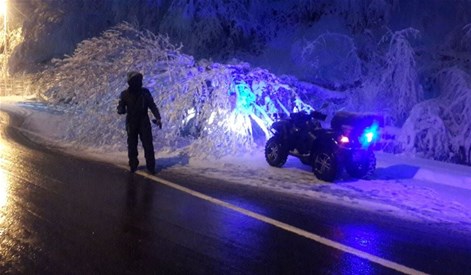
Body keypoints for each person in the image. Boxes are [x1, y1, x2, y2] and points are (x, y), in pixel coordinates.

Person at [117, 71, 162, 174]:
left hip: (143, 121)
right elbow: (121, 106)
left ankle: (151, 166)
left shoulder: (145, 92)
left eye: (139, 80)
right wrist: (121, 109)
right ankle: (133, 164)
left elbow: (152, 105)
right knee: (132, 144)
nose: (139, 82)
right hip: (131, 122)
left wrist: (158, 117)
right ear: (130, 82)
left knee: (148, 144)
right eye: (136, 80)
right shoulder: (125, 94)